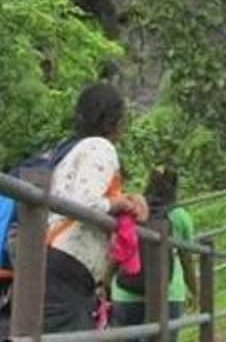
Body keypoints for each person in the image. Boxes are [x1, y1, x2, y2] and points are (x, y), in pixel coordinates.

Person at [41, 83, 149, 333]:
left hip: (56, 257)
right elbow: (83, 203)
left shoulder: (69, 150)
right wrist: (119, 203)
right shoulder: (100, 147)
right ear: (115, 120)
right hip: (71, 259)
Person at [110, 166, 198, 341]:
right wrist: (195, 291)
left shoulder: (133, 209)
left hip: (125, 293)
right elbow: (187, 259)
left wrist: (103, 283)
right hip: (169, 293)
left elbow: (117, 249)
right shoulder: (179, 216)